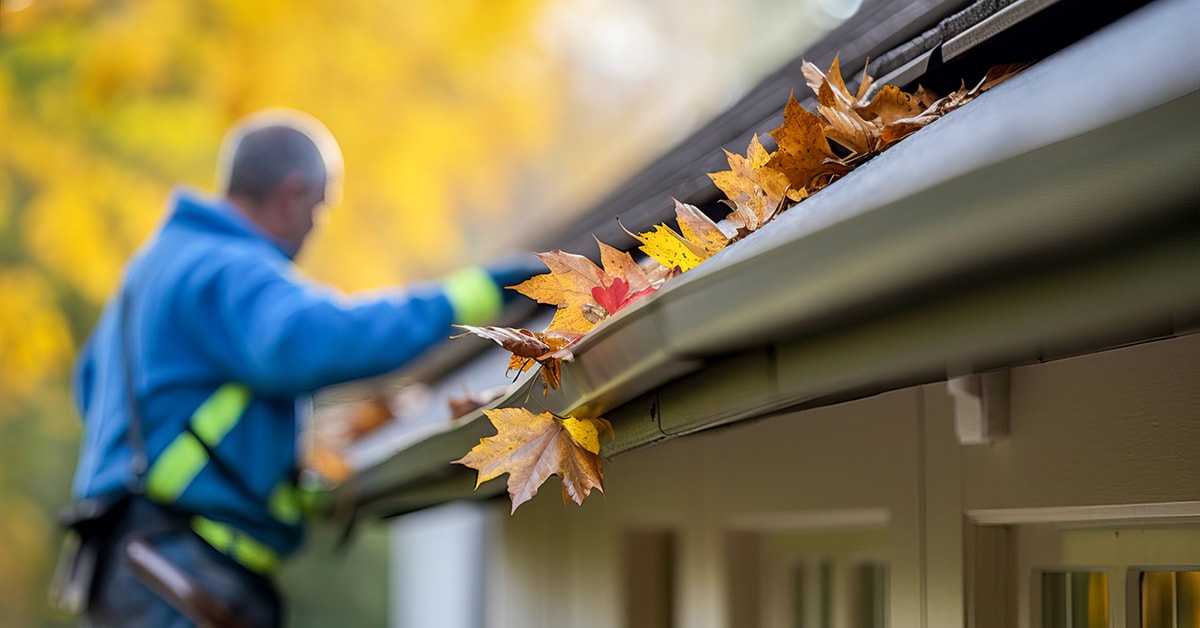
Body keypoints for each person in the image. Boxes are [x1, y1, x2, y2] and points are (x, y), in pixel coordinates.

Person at [68, 109, 540, 627]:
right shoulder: (229, 269)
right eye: (318, 211)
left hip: (132, 566)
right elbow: (326, 339)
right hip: (184, 574)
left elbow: (89, 385)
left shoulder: (153, 270)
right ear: (293, 194)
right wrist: (478, 290)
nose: (313, 231)